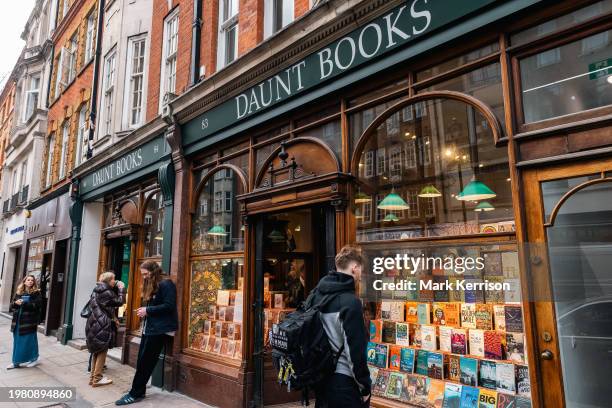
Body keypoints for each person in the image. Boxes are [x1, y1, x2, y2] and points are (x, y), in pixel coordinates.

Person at [312, 245, 371, 407]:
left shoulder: (318, 294)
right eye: (361, 271)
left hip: (322, 378)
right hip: (344, 383)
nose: (360, 277)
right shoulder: (351, 303)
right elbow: (355, 353)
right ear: (355, 268)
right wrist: (365, 387)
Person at [115, 260, 178, 406]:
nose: (143, 277)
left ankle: (135, 394)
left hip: (158, 330)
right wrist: (145, 311)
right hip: (150, 328)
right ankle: (138, 391)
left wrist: (147, 310)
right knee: (142, 362)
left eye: (145, 273)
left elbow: (169, 306)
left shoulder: (166, 284)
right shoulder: (155, 283)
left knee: (145, 363)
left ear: (153, 271)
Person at [85, 271, 125, 387]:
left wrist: (114, 317)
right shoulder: (106, 291)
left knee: (96, 350)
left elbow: (105, 306)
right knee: (102, 350)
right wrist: (122, 289)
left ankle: (93, 377)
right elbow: (120, 302)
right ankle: (97, 378)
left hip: (94, 323)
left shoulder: (97, 289)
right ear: (108, 280)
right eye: (113, 279)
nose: (115, 281)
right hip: (102, 324)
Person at [8, 275, 42, 369]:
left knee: (30, 340)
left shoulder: (36, 293)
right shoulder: (19, 292)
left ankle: (33, 359)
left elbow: (38, 306)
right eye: (28, 280)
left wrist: (25, 303)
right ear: (24, 281)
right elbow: (11, 306)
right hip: (17, 321)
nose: (30, 281)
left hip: (29, 321)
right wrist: (15, 303)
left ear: (34, 282)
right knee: (17, 341)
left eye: (32, 280)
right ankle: (15, 362)